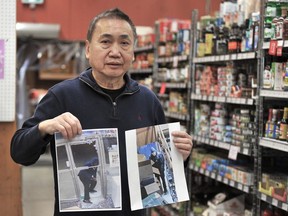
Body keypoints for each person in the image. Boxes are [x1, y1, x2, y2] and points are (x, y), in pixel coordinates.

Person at [10, 8, 193, 216]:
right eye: (106, 42)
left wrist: (180, 155)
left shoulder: (148, 100)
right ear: (88, 49)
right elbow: (19, 152)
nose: (115, 52)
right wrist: (44, 128)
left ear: (133, 52)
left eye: (124, 43)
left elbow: (161, 169)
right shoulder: (61, 96)